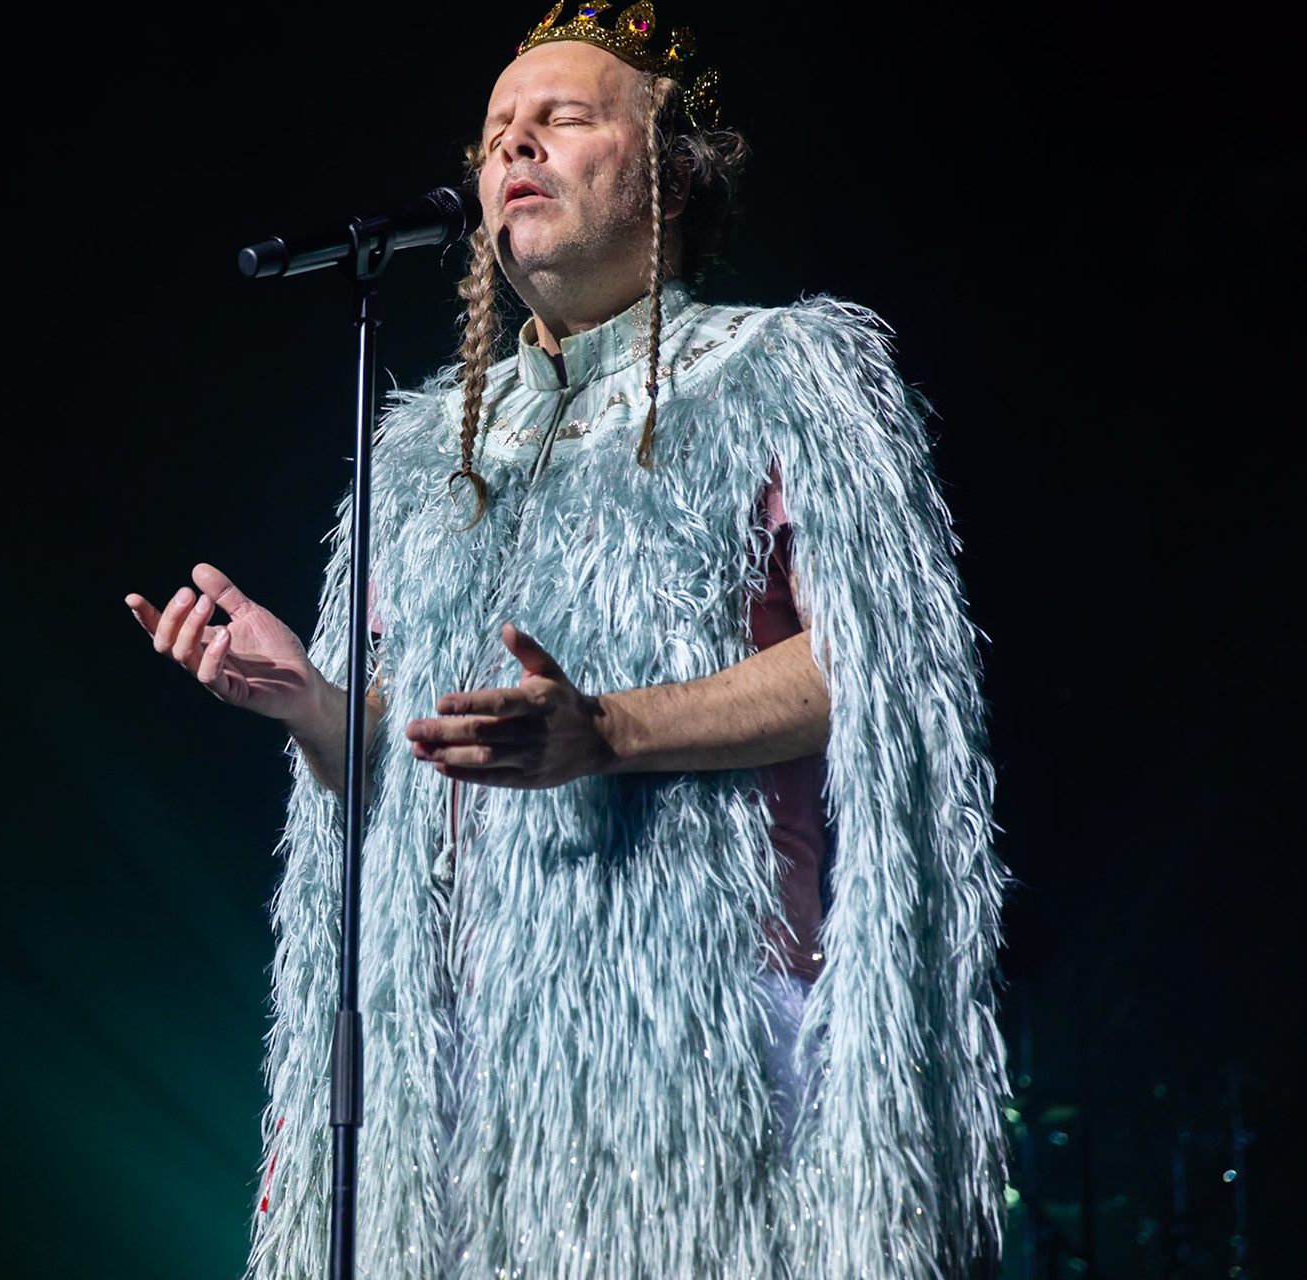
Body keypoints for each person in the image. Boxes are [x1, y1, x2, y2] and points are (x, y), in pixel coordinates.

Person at [126, 6, 1006, 1277]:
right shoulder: (427, 448)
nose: (512, 147)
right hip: (464, 1078)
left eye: (564, 117)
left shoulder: (787, 373)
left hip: (695, 1054)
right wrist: (313, 701)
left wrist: (612, 730)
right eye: (494, 133)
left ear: (672, 168)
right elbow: (410, 754)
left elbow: (882, 667)